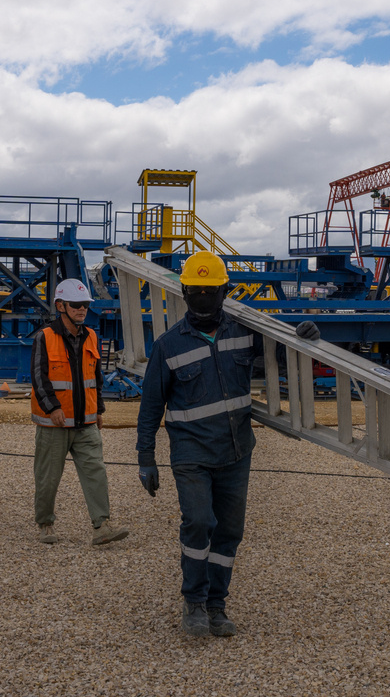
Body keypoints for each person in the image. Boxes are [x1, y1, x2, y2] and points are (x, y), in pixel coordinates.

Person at [136, 251, 319, 637]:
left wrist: (303, 340)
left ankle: (217, 605)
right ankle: (194, 602)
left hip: (236, 451)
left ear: (225, 292)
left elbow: (280, 358)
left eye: (210, 291)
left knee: (229, 531)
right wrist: (145, 456)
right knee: (199, 522)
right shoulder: (169, 346)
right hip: (191, 454)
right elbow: (151, 404)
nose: (202, 298)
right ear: (185, 291)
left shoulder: (244, 333)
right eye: (196, 291)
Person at [30, 278, 128, 546]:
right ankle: (46, 524)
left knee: (96, 471)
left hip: (86, 422)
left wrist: (99, 409)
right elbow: (39, 378)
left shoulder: (92, 336)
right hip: (55, 424)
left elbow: (95, 377)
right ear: (60, 306)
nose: (82, 309)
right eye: (77, 305)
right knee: (48, 477)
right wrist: (53, 408)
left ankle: (102, 525)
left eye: (85, 305)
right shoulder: (45, 337)